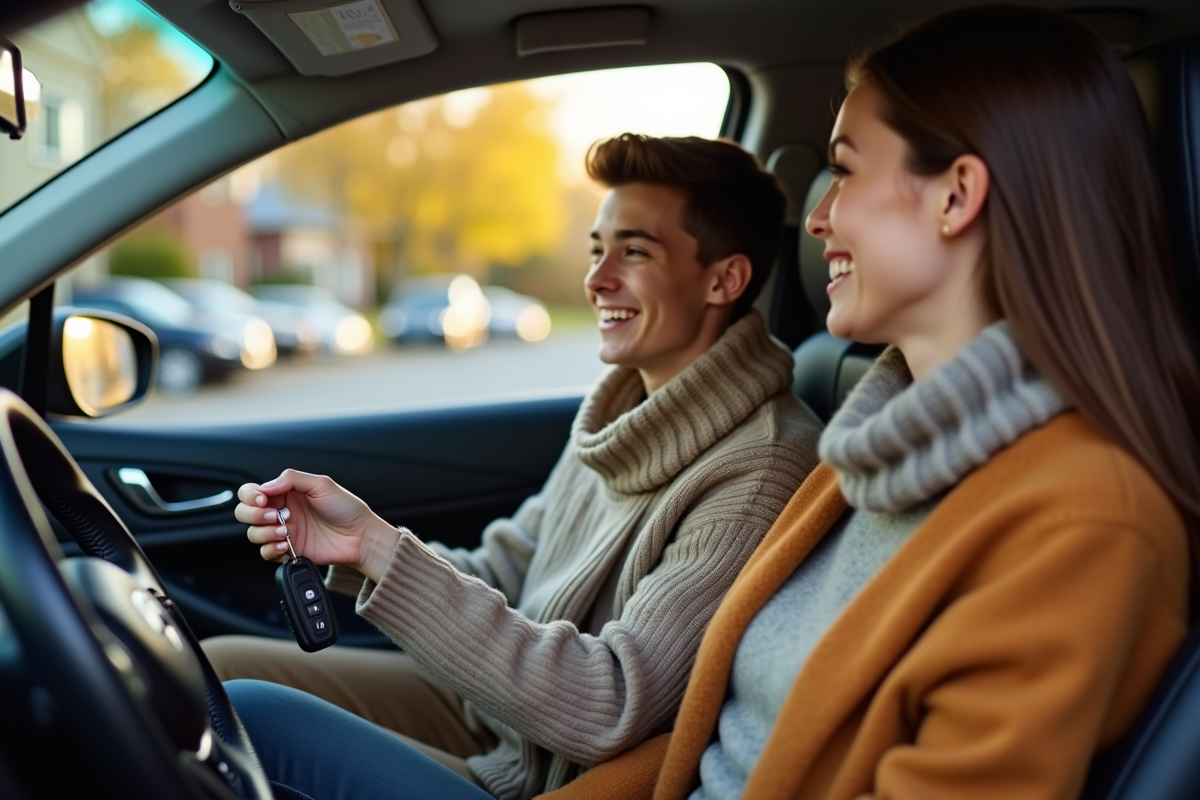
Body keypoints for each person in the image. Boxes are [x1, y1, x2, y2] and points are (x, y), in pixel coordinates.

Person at [536, 6, 1200, 800]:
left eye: (845, 171)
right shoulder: (877, 446)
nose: (816, 218)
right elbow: (711, 741)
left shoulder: (1084, 519)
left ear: (955, 196)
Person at [213, 133, 825, 800]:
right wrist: (357, 546)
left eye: (634, 252)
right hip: (494, 720)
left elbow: (613, 705)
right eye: (596, 249)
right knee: (210, 669)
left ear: (724, 280)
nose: (596, 279)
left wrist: (380, 549)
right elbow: (505, 572)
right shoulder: (624, 412)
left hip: (548, 781)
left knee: (250, 718)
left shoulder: (760, 469)